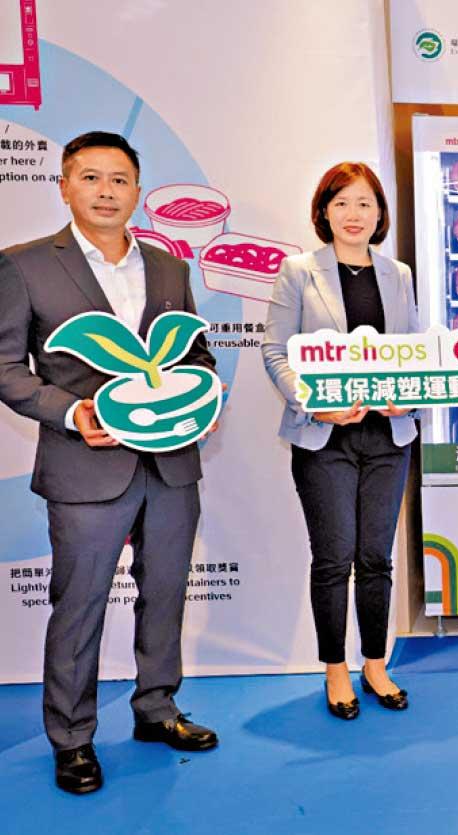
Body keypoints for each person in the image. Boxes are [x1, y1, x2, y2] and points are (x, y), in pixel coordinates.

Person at [0, 132, 220, 795]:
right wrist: (74, 413)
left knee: (166, 592)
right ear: (65, 187)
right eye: (90, 177)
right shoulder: (24, 265)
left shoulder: (169, 267)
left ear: (137, 191)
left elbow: (196, 355)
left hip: (172, 464)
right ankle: (72, 738)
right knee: (80, 605)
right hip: (85, 467)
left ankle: (157, 708)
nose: (105, 191)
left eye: (119, 179)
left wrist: (202, 396)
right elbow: (7, 368)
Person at [262, 162, 418, 719]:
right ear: (324, 211)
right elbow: (276, 351)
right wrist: (313, 402)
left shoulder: (397, 273)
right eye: (342, 202)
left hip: (388, 436)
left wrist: (409, 397)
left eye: (365, 203)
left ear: (379, 214)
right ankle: (335, 669)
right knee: (333, 558)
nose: (354, 214)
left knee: (376, 558)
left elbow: (413, 350)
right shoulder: (298, 272)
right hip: (323, 438)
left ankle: (375, 664)